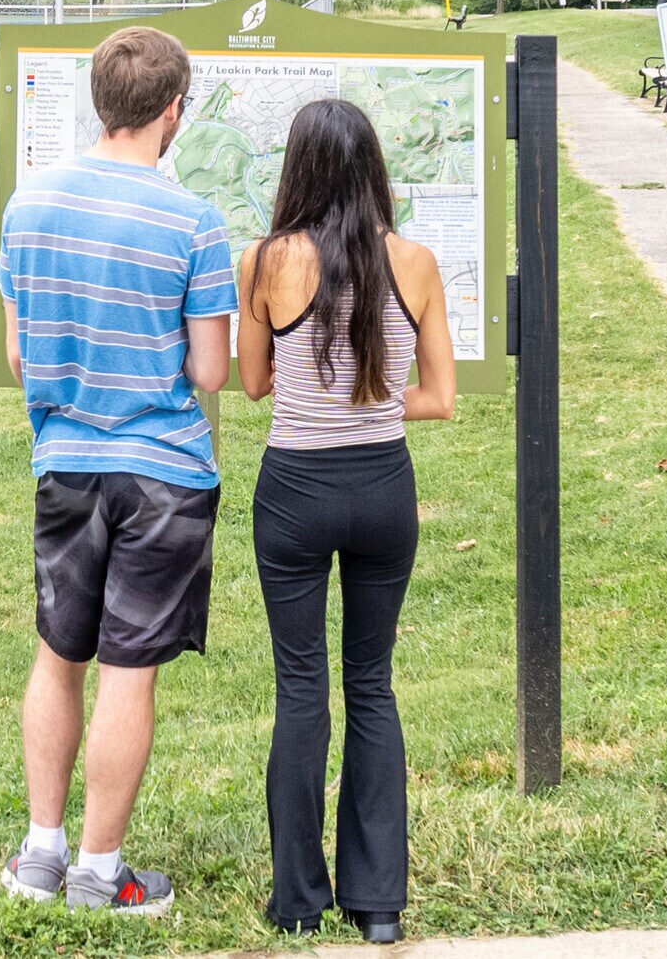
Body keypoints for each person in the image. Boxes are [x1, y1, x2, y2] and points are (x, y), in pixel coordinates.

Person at [0, 26, 238, 916]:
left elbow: (19, 357)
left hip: (66, 462)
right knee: (129, 669)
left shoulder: (27, 205)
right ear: (173, 110)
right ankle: (102, 871)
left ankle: (42, 855)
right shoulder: (195, 221)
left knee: (58, 653)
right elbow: (211, 372)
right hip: (165, 470)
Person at [235, 98, 457, 944]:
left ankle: (297, 900)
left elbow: (253, 385)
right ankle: (379, 905)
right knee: (372, 686)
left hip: (294, 492)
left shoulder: (263, 261)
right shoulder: (417, 261)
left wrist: (320, 398)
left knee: (301, 690)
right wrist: (372, 399)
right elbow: (437, 397)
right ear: (373, 167)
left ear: (298, 168)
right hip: (383, 489)